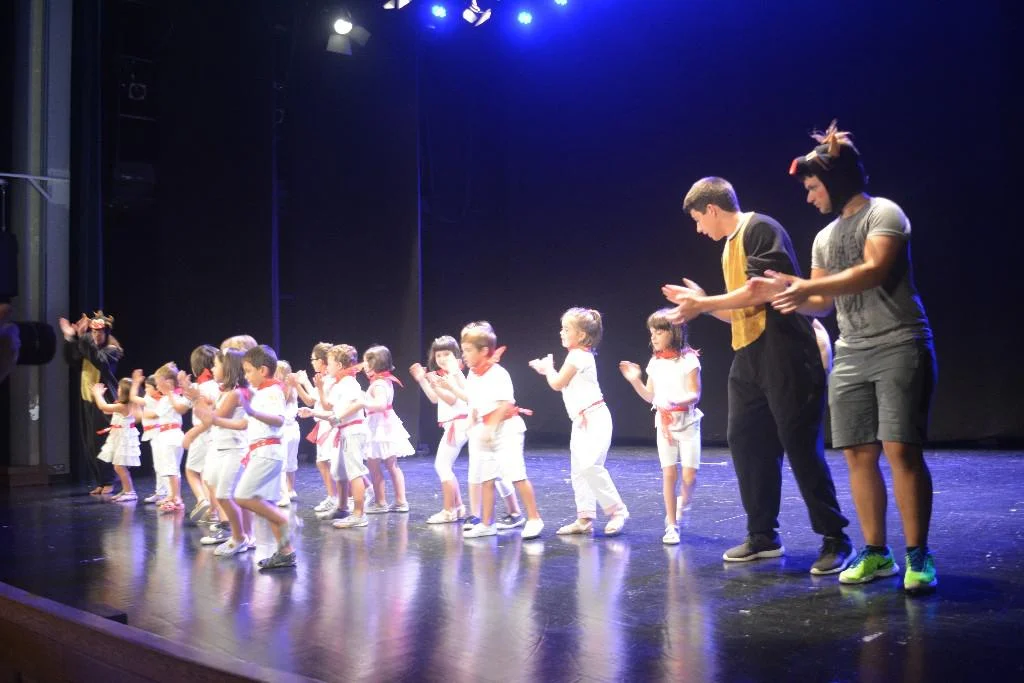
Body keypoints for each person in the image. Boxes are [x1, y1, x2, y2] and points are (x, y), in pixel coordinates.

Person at [766, 121, 938, 593]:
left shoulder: (885, 213)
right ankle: (877, 553)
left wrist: (806, 286)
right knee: (858, 452)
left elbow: (873, 270)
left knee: (900, 449)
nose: (809, 197)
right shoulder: (823, 238)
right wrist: (786, 294)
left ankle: (918, 555)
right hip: (852, 352)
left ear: (836, 181)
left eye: (813, 187)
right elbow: (823, 302)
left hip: (900, 342)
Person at [663, 176, 852, 575]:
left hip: (786, 351)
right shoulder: (728, 247)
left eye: (698, 220)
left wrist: (703, 303)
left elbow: (762, 291)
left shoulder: (760, 228)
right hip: (748, 356)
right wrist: (704, 304)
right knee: (747, 441)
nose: (699, 229)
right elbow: (740, 309)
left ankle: (836, 538)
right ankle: (763, 535)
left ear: (712, 209)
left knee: (800, 445)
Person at [529, 307, 628, 537]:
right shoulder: (576, 355)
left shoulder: (578, 356)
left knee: (591, 466)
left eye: (566, 329)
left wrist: (548, 369)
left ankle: (617, 511)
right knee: (579, 471)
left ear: (581, 335)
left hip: (595, 418)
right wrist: (548, 370)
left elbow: (557, 383)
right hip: (582, 421)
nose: (561, 332)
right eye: (562, 328)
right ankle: (584, 518)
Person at [619, 309, 702, 545]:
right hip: (664, 423)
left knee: (689, 476)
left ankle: (683, 504)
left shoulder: (688, 360)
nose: (653, 336)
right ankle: (671, 524)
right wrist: (635, 380)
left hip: (687, 423)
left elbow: (695, 394)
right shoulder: (655, 362)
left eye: (659, 331)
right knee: (669, 473)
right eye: (651, 332)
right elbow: (650, 396)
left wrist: (675, 401)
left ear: (673, 332)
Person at [459, 321, 543, 540]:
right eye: (463, 350)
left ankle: (534, 518)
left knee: (516, 474)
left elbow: (505, 403)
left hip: (506, 428)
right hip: (486, 428)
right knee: (487, 477)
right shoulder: (472, 374)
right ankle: (487, 523)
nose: (464, 355)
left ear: (484, 351)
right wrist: (473, 419)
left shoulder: (498, 373)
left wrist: (489, 427)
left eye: (468, 350)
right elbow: (475, 401)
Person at [58, 311, 122, 494]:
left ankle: (109, 480)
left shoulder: (112, 350)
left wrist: (83, 337)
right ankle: (101, 481)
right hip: (87, 399)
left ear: (107, 333)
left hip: (104, 401)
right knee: (90, 443)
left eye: (100, 332)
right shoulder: (89, 348)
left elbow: (99, 360)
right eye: (93, 332)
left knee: (102, 441)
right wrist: (70, 337)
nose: (96, 335)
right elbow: (72, 359)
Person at [362, 345, 415, 513]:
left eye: (366, 361)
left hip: (380, 426)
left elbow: (381, 404)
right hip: (383, 424)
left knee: (374, 464)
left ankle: (381, 502)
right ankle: (400, 501)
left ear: (375, 363)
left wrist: (362, 401)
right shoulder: (384, 381)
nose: (363, 365)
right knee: (391, 465)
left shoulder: (379, 383)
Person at [92, 371, 144, 502]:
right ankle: (126, 490)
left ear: (125, 392)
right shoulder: (122, 405)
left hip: (124, 438)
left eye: (120, 388)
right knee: (119, 466)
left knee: (119, 466)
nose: (117, 390)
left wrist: (97, 394)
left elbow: (103, 406)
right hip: (119, 436)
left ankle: (130, 491)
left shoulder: (124, 406)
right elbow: (106, 410)